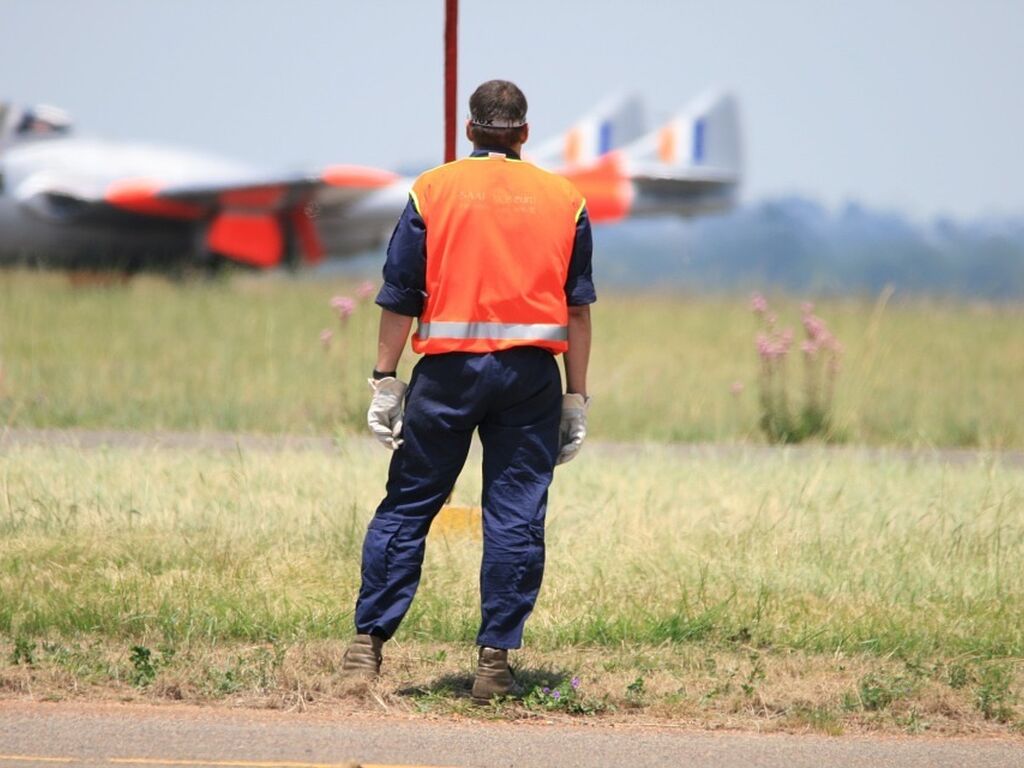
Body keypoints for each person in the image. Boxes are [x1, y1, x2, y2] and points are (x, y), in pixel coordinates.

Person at [341, 79, 595, 703]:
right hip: (530, 379)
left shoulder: (432, 189)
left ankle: (364, 651)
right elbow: (578, 310)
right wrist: (575, 397)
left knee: (408, 505)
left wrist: (384, 380)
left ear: (470, 130)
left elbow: (400, 294)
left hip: (448, 377)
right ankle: (494, 664)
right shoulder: (566, 199)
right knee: (515, 515)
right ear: (525, 133)